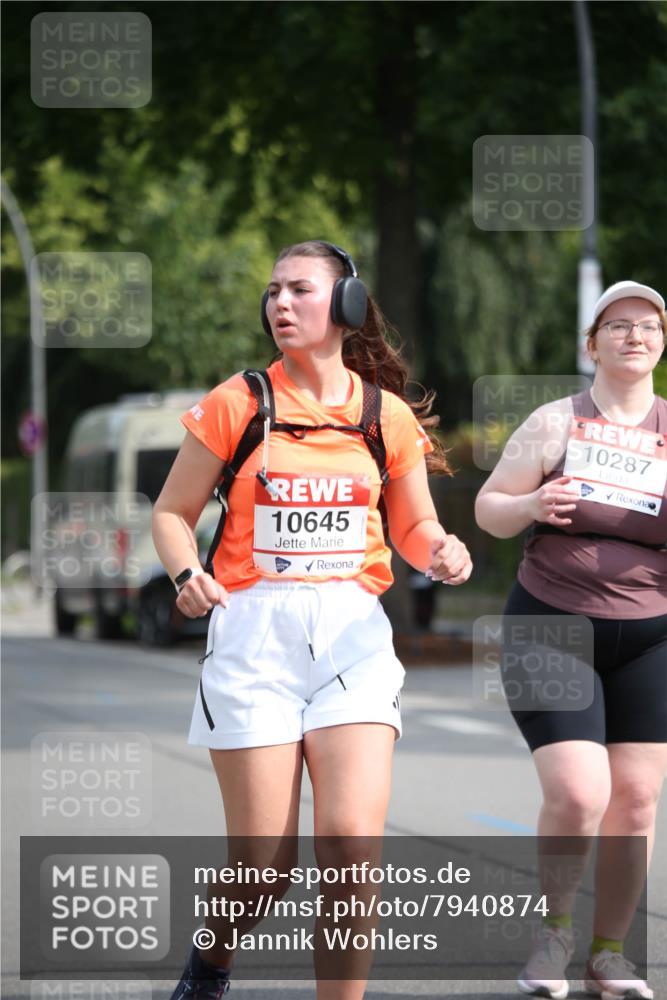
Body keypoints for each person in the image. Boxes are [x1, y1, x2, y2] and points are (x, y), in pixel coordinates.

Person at [152, 239, 472, 1000]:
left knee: (351, 852)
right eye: (271, 292)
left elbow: (414, 528)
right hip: (252, 634)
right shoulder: (239, 402)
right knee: (263, 865)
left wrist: (444, 552)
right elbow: (170, 512)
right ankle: (212, 961)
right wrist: (187, 573)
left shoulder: (382, 416)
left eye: (299, 289)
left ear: (347, 305)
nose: (279, 304)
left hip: (352, 636)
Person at [475, 280, 667, 1000]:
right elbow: (489, 510)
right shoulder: (555, 422)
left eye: (647, 326)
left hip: (651, 637)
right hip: (552, 626)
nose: (633, 336)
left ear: (661, 342)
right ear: (591, 344)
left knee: (637, 801)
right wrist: (529, 502)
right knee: (580, 792)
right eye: (616, 326)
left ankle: (609, 955)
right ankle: (554, 935)